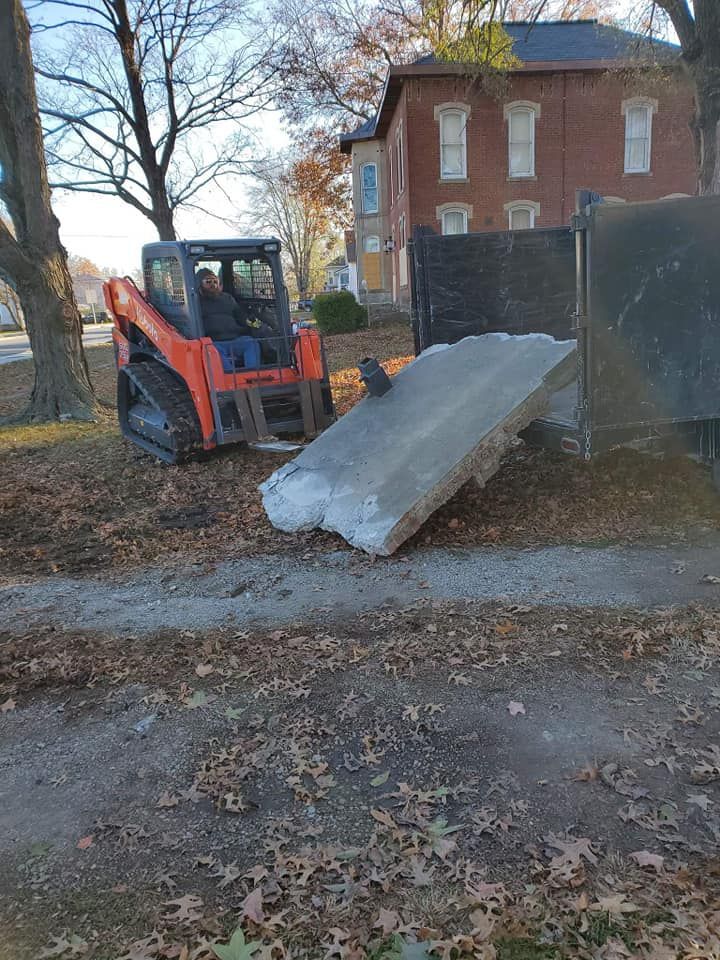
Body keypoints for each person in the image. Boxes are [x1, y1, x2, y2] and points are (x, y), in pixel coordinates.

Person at [196, 267, 261, 372]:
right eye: (208, 282)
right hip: (214, 342)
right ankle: (230, 379)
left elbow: (240, 314)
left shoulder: (227, 298)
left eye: (215, 281)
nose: (213, 284)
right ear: (199, 283)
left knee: (250, 342)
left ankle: (253, 375)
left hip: (234, 339)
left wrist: (249, 321)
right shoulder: (195, 302)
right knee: (213, 351)